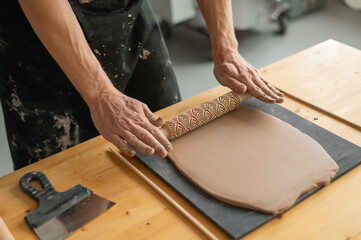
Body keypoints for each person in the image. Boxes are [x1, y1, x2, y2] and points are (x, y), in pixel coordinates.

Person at [0, 0, 283, 170]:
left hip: (127, 11)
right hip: (40, 31)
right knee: (64, 179)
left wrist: (226, 46)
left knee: (167, 141)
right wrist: (100, 95)